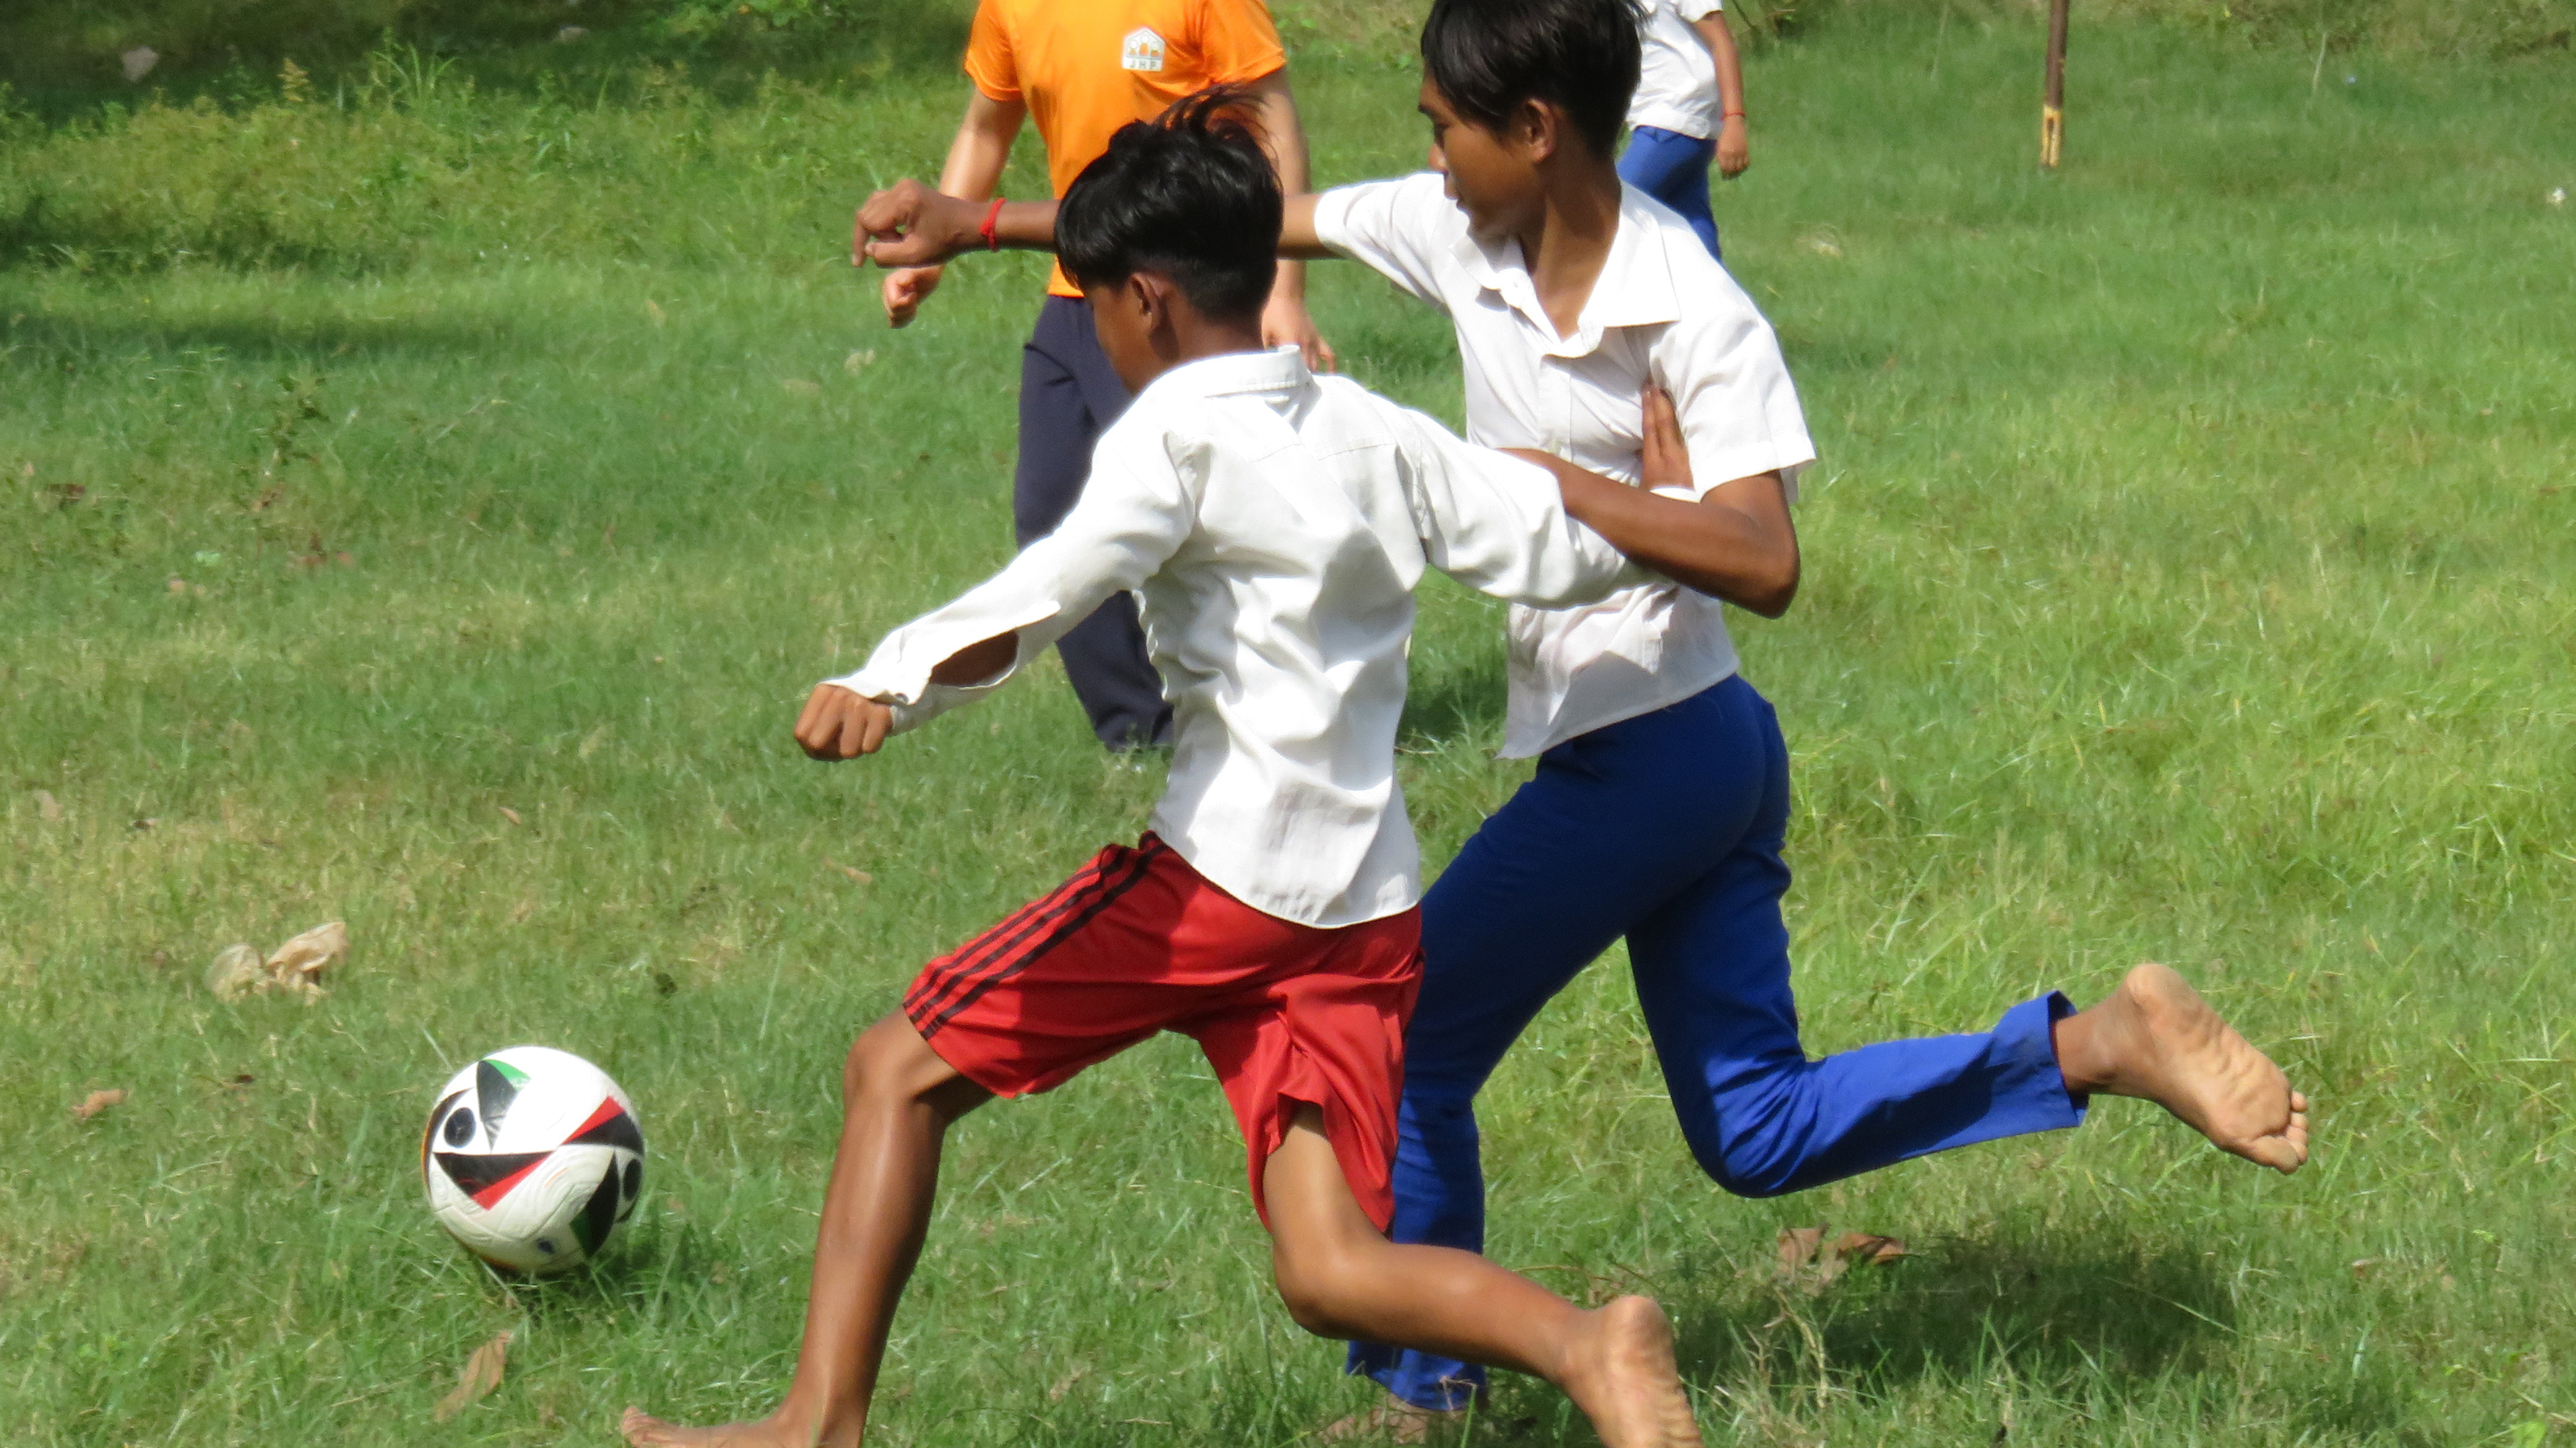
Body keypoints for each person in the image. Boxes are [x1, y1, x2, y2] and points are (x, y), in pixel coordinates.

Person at [848, 0, 2311, 1430]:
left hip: (1653, 751)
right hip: (1700, 751)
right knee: (1754, 1126)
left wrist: (1563, 478)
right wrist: (978, 228)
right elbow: (1243, 235)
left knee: (1410, 1041)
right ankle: (2098, 1043)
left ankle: (1426, 1397)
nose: (1423, 162)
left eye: (1441, 130)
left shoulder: (1694, 306)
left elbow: (1764, 557)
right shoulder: (1457, 230)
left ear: (1533, 129)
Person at [624, 94, 1712, 1448]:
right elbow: (1549, 543)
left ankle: (813, 1427)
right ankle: (1588, 1342)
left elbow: (1049, 591)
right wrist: (1663, 519)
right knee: (1323, 1274)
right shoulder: (1372, 425)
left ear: (1142, 301)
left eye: (1089, 305)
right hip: (1363, 907)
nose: (1089, 331)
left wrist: (886, 681)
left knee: (891, 1071)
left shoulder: (1173, 433)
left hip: (1219, 888)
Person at [872, 0, 1332, 752]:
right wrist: (931, 251)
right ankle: (1141, 731)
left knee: (1218, 512)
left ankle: (1287, 709)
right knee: (1051, 505)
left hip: (1187, 293)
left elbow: (1272, 121)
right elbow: (986, 125)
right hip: (1080, 292)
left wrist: (1283, 291)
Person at [1619, 0, 1747, 260]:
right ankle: (1715, 298)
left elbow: (1721, 42)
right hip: (1661, 120)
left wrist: (1734, 120)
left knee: (1610, 212)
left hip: (1676, 118)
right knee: (1693, 232)